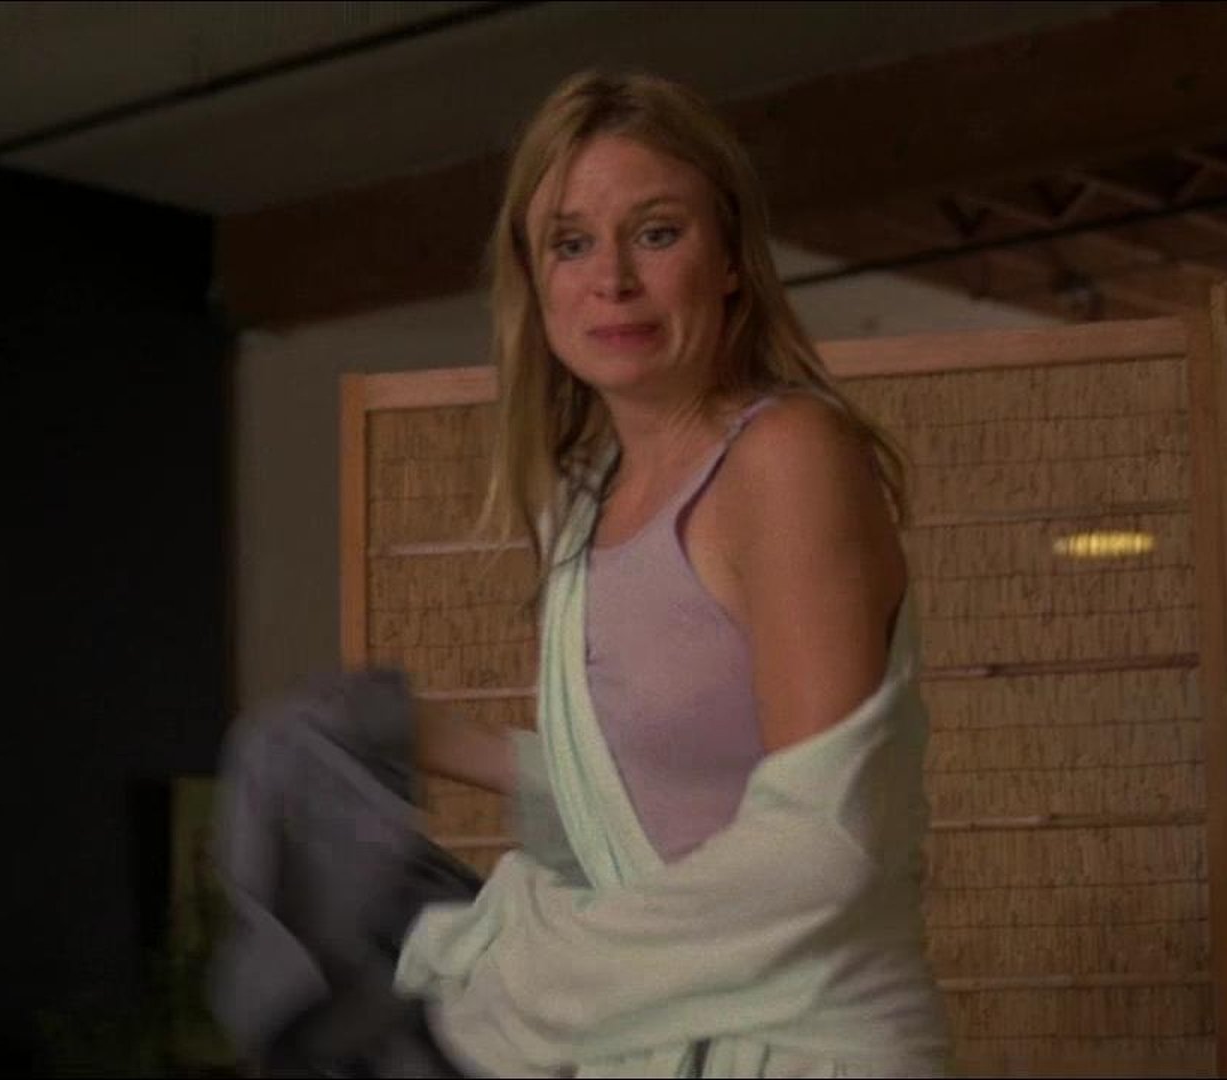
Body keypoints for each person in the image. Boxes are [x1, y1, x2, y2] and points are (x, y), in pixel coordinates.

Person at [401, 70, 952, 1077]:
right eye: (571, 243)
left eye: (655, 233)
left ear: (731, 256)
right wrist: (439, 742)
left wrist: (516, 993)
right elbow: (660, 810)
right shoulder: (586, 507)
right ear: (534, 277)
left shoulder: (784, 457)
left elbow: (821, 845)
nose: (612, 280)